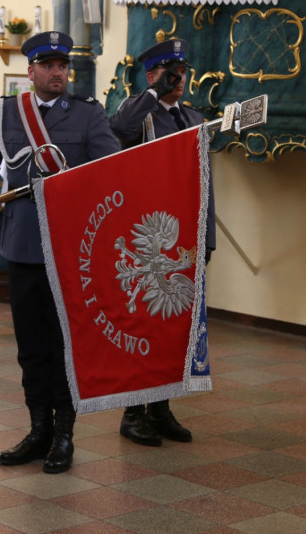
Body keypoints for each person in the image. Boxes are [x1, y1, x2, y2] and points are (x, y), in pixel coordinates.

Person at [0, 31, 120, 474]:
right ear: (30, 72)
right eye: (48, 66)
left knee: (64, 343)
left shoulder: (88, 115)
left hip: (71, 246)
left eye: (62, 66)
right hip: (24, 244)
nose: (57, 73)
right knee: (30, 345)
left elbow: (111, 174)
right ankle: (37, 429)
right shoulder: (8, 112)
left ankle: (65, 433)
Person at [108, 38, 215, 447]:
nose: (180, 79)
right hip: (151, 245)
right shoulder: (138, 113)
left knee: (177, 328)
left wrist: (208, 235)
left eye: (183, 72)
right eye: (171, 72)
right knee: (146, 325)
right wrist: (153, 91)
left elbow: (205, 182)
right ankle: (133, 413)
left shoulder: (192, 117)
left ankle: (162, 408)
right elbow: (118, 129)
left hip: (187, 239)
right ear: (152, 74)